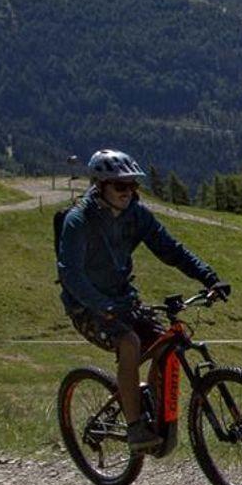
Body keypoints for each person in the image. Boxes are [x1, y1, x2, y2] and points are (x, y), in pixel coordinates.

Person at [56, 149, 226, 449]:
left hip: (124, 301)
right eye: (120, 185)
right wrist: (102, 305)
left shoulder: (135, 214)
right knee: (130, 343)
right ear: (100, 185)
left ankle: (153, 413)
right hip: (87, 308)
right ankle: (135, 427)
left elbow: (171, 249)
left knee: (165, 344)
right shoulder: (78, 220)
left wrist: (209, 277)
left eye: (133, 185)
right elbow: (71, 275)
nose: (128, 192)